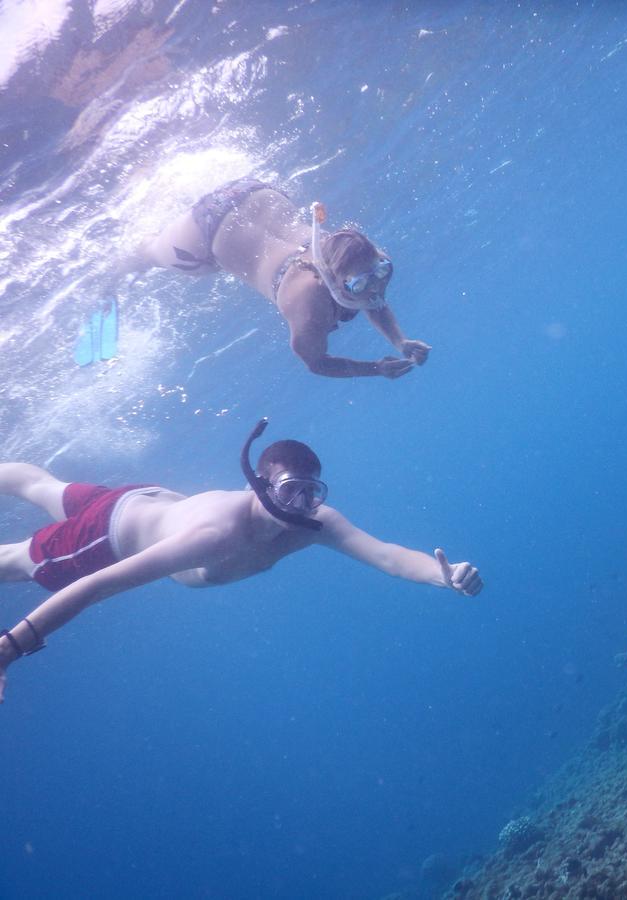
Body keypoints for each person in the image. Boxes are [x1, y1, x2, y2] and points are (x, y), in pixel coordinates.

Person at [0, 420, 482, 701]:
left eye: (312, 493)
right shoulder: (216, 534)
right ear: (260, 485)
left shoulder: (315, 523)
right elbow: (92, 587)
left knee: (44, 486)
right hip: (102, 537)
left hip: (143, 498)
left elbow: (387, 556)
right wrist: (11, 647)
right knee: (17, 561)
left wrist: (443, 577)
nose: (302, 507)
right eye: (291, 492)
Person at [137, 177, 430, 379]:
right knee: (150, 256)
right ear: (329, 279)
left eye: (380, 273)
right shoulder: (308, 305)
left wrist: (399, 341)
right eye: (360, 285)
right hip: (208, 229)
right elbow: (316, 362)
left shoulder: (368, 259)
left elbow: (373, 300)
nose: (377, 287)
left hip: (254, 191)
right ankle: (118, 266)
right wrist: (375, 369)